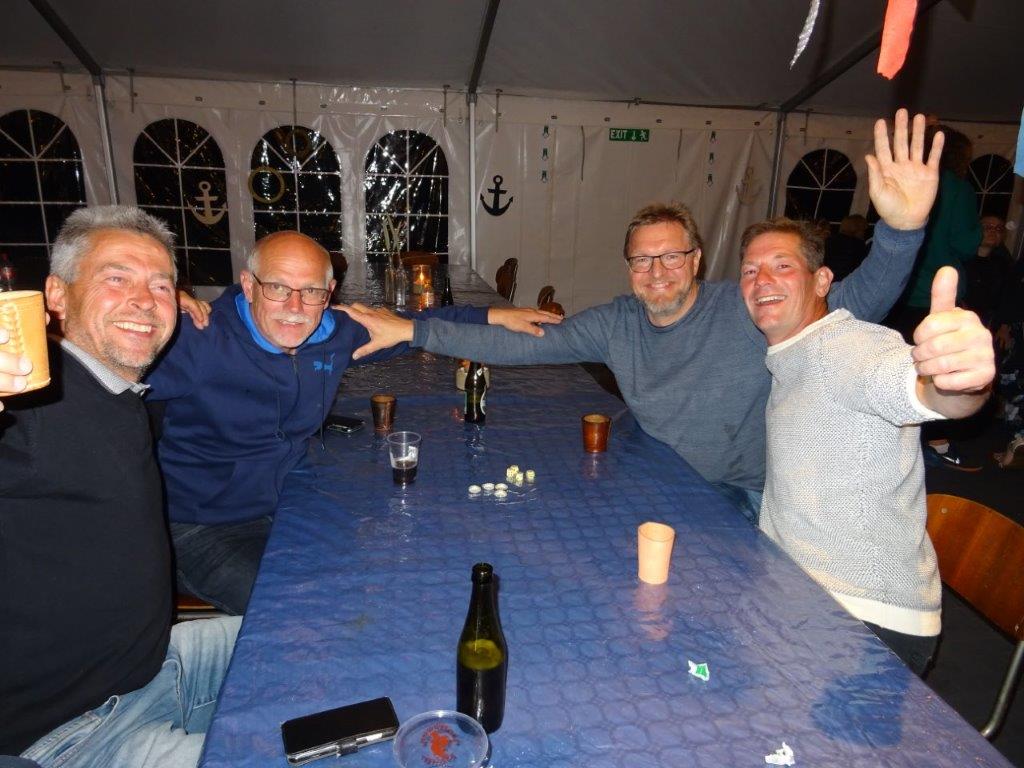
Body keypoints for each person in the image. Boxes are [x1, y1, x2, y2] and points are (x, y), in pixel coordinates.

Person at [339, 110, 953, 523]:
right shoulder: (617, 323)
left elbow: (851, 305)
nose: (657, 272)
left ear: (696, 259)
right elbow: (521, 346)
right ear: (628, 267)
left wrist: (901, 231)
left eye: (671, 257)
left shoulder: (746, 307)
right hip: (652, 472)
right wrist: (413, 329)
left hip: (738, 495)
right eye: (642, 259)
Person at [145, 230, 559, 615]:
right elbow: (107, 376)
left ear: (329, 293)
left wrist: (495, 316)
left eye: (310, 291)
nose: (294, 307)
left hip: (292, 502)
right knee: (295, 610)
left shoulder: (333, 334)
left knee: (383, 575)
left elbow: (413, 322)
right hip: (202, 525)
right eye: (277, 288)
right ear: (249, 286)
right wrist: (153, 304)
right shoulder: (194, 339)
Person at [0, 206, 240, 767]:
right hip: (72, 733)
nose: (143, 300)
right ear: (56, 295)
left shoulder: (116, 389)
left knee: (319, 631)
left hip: (153, 667)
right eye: (116, 278)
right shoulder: (27, 401)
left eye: (160, 285)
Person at [738, 217, 994, 674]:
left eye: (782, 265)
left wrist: (958, 383)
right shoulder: (792, 355)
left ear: (822, 281)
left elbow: (914, 387)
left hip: (863, 616)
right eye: (750, 270)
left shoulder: (847, 348)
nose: (763, 280)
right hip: (798, 589)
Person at [965, 214, 1014, 329]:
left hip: (986, 325)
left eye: (998, 228)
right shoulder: (961, 259)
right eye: (987, 227)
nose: (993, 231)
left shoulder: (1004, 265)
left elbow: (1005, 299)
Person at [823, 214, 869, 281]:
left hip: (826, 278)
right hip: (845, 281)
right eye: (863, 230)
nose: (864, 233)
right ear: (857, 229)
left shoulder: (829, 240)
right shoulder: (858, 245)